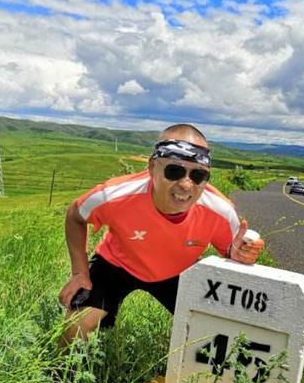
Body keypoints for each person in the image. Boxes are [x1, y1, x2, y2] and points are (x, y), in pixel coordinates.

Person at [58, 123, 264, 344]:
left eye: (198, 175)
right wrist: (80, 272)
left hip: (178, 272)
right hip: (117, 264)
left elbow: (231, 255)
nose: (186, 185)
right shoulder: (114, 195)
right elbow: (75, 215)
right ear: (152, 167)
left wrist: (243, 254)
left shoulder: (220, 211)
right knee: (75, 328)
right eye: (174, 171)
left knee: (211, 335)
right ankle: (59, 376)